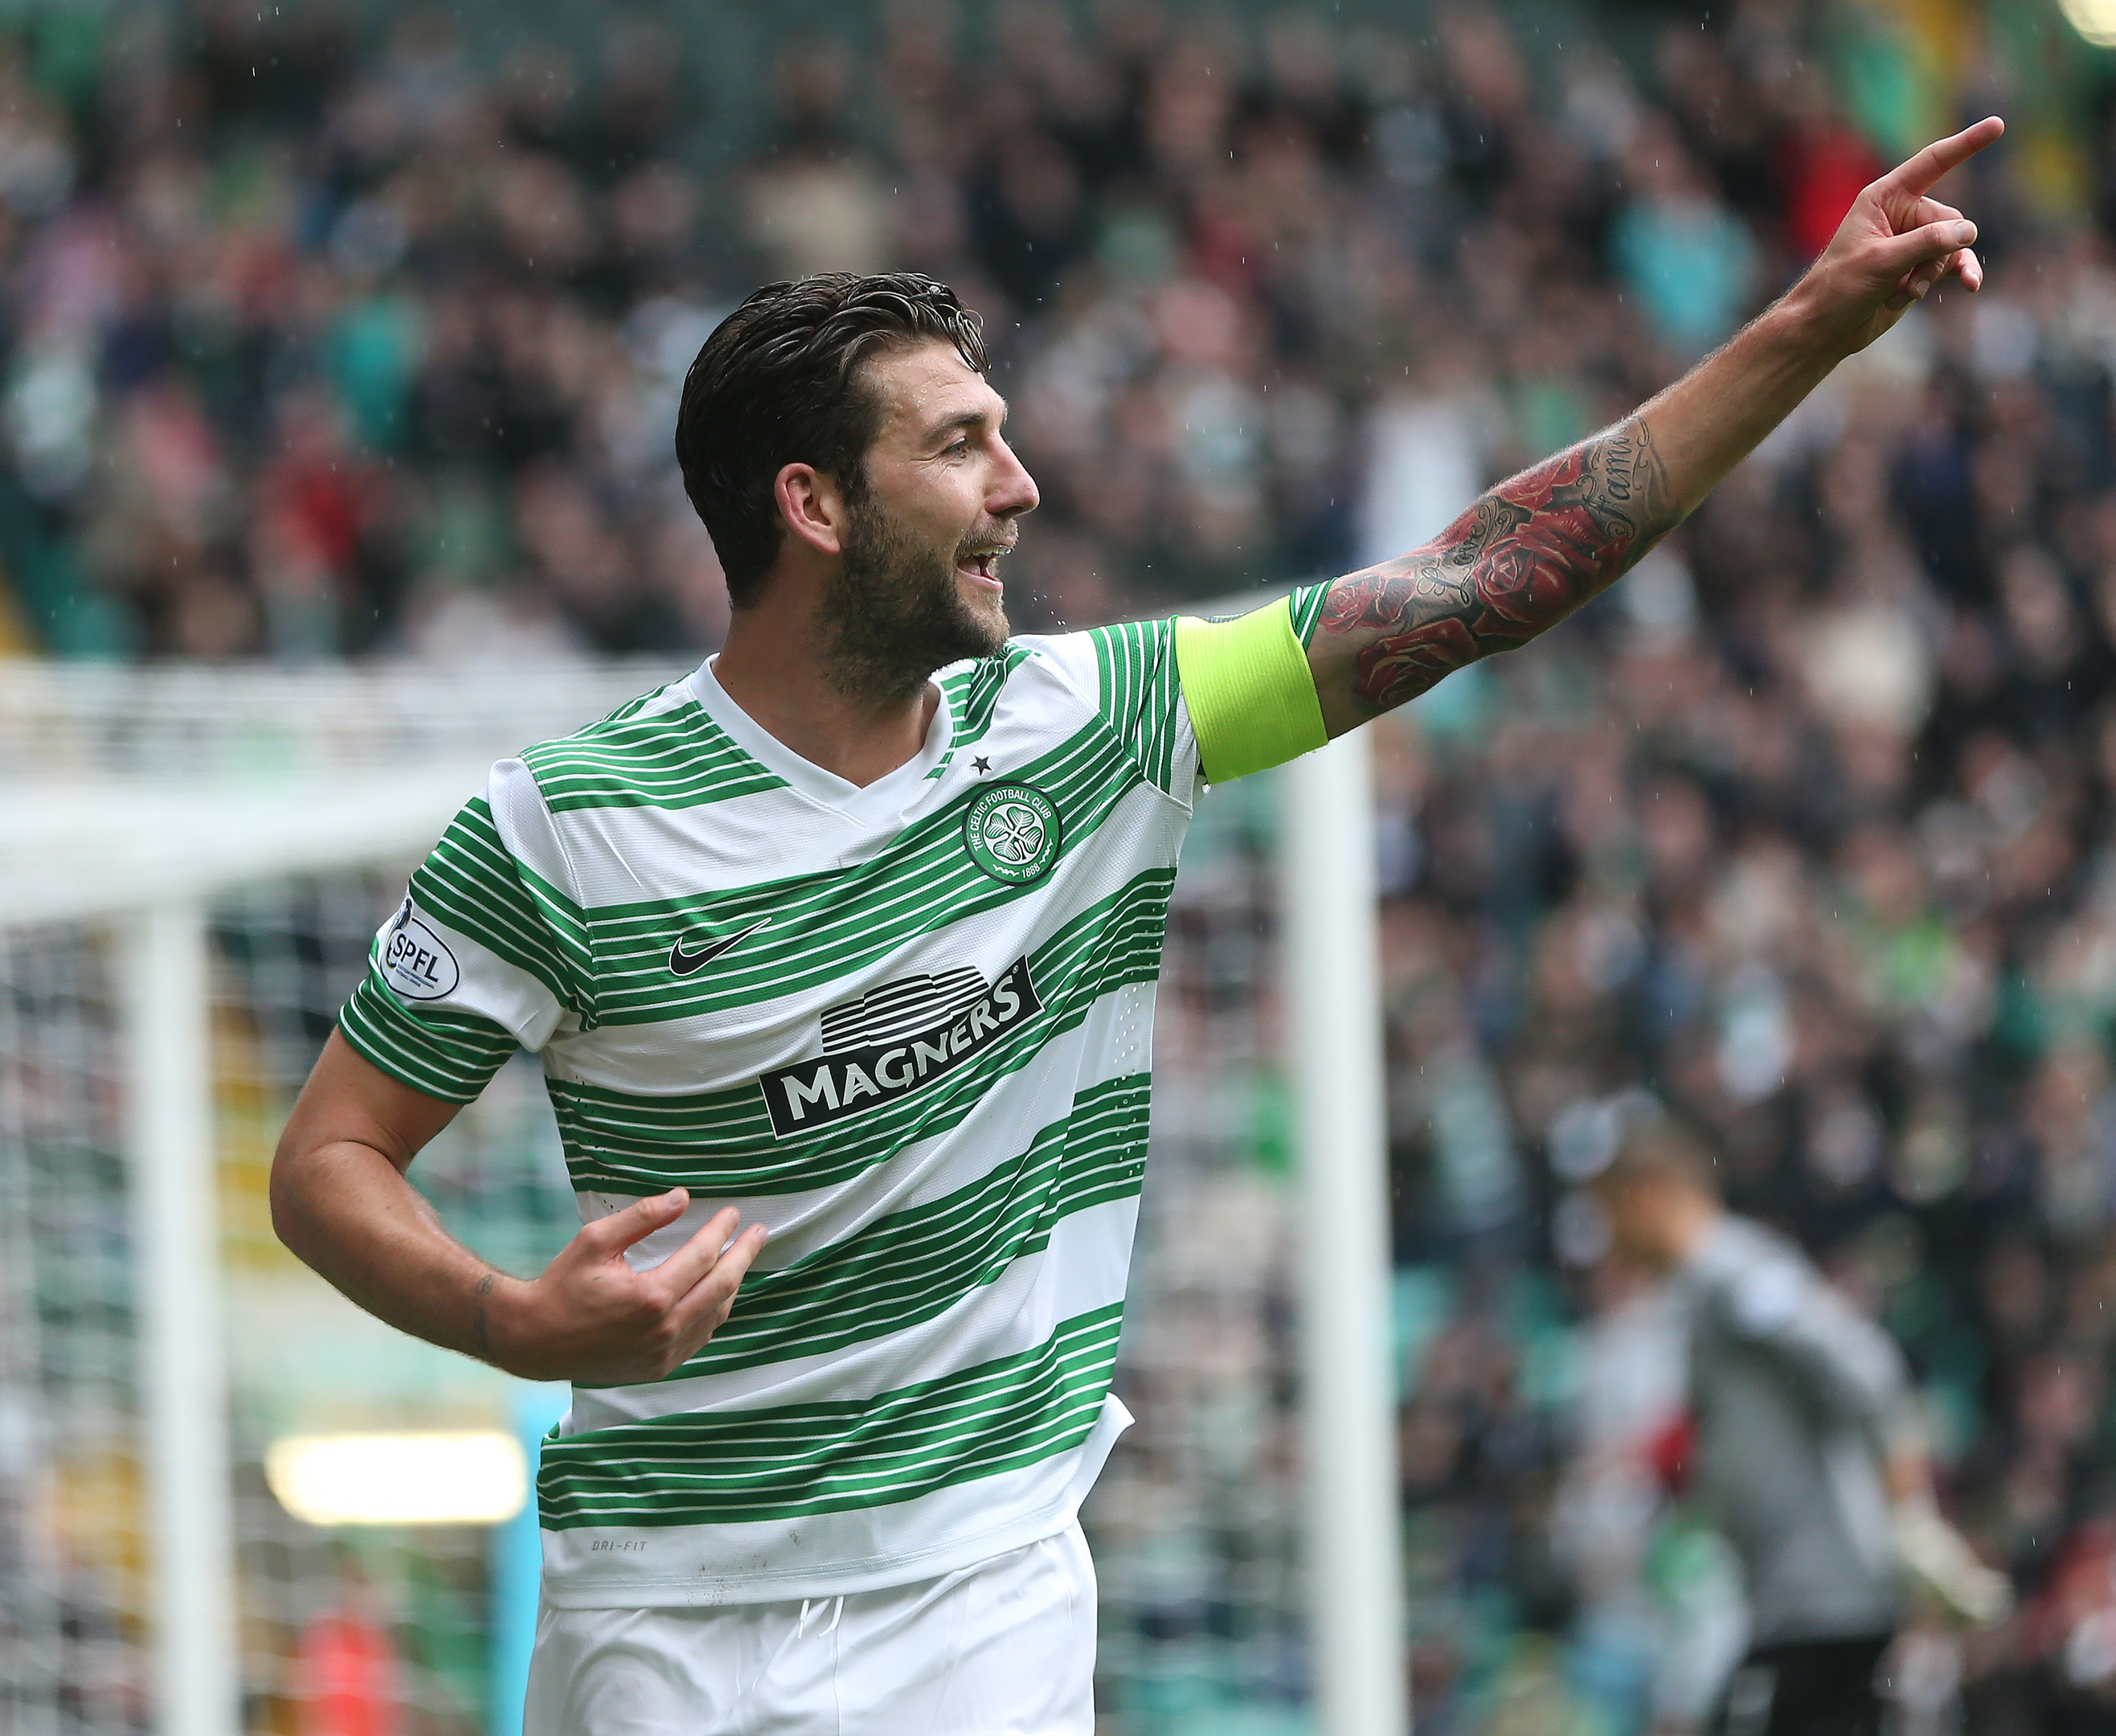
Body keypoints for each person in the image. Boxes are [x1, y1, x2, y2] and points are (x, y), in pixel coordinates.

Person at [267, 118, 2005, 1736]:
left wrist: (1804, 329)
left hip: (978, 1590)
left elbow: (1478, 582)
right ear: (810, 505)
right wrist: (511, 1321)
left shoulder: (1095, 721)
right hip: (657, 1600)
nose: (1021, 487)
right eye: (959, 449)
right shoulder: (562, 825)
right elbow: (330, 1155)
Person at [1598, 1116, 2001, 1736]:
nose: (1610, 1238)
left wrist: (1910, 1514)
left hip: (1824, 1603)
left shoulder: (1732, 1274)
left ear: (1650, 1193)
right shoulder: (1703, 1287)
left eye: (1611, 1212)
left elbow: (1864, 1367)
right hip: (1788, 1604)